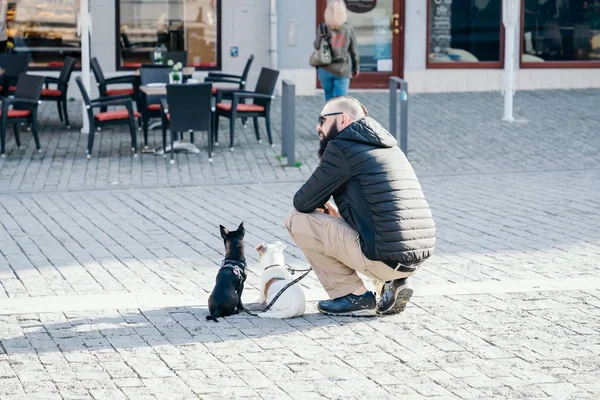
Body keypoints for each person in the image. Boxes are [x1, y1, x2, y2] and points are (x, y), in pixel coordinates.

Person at [285, 96, 436, 316]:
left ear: (344, 119)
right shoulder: (390, 147)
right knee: (371, 233)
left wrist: (324, 211)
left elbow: (302, 201)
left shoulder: (342, 146)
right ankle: (391, 284)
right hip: (416, 259)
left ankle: (352, 296)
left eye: (323, 119)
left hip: (385, 259)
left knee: (296, 219)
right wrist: (336, 214)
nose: (318, 126)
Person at [314, 0, 359, 102]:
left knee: (329, 99)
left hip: (325, 68)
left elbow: (316, 45)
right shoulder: (348, 28)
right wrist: (356, 67)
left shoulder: (322, 27)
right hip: (342, 69)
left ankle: (329, 117)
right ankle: (339, 118)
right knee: (341, 101)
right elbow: (353, 51)